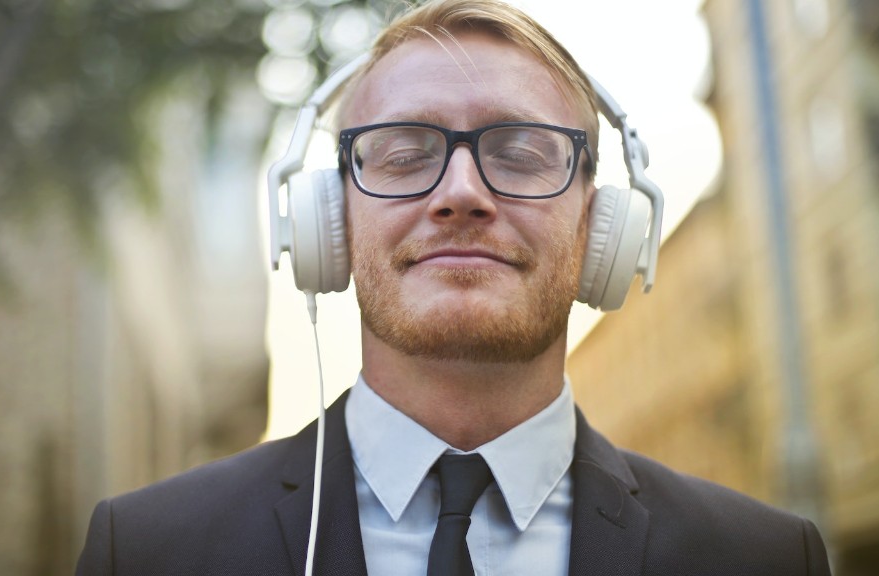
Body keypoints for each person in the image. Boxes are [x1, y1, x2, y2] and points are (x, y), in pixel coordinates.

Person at [76, 1, 831, 574]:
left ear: (601, 227)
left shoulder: (763, 557)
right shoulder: (146, 549)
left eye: (522, 152)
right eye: (405, 154)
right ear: (329, 219)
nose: (462, 192)